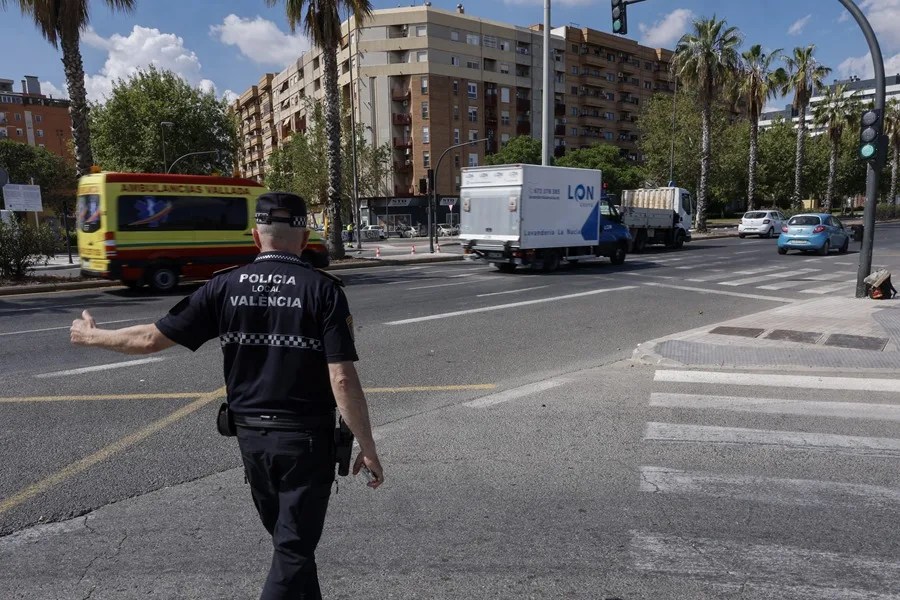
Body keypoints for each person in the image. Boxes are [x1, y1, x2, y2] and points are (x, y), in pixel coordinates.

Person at [70, 191, 384, 600]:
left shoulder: (224, 286)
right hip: (305, 442)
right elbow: (341, 379)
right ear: (304, 238)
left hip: (252, 440)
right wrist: (368, 445)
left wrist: (94, 337)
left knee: (291, 547)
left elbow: (150, 339)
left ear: (256, 237)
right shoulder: (322, 290)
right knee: (293, 548)